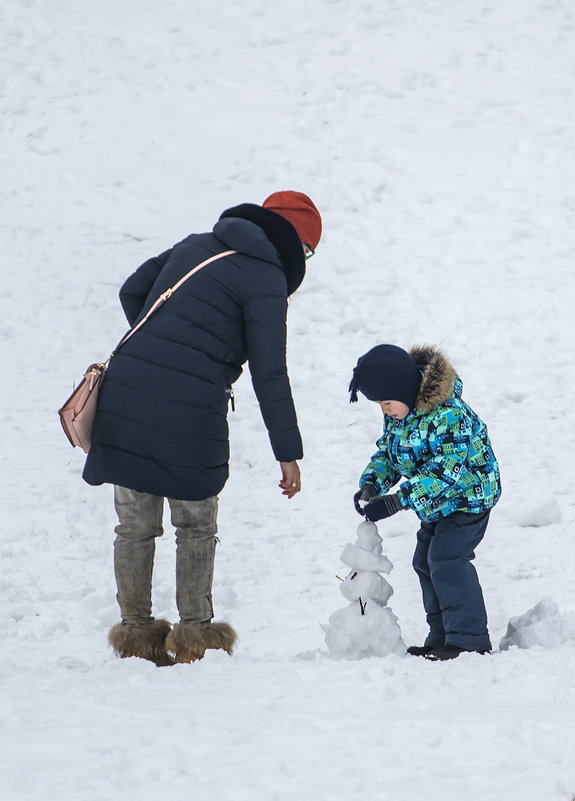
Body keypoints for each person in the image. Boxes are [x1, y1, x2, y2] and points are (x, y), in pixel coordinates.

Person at [82, 190, 322, 666]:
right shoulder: (267, 278)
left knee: (134, 525)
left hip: (126, 394)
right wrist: (287, 451)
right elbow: (269, 371)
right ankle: (194, 637)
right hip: (189, 411)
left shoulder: (197, 242)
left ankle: (136, 637)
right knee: (194, 523)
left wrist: (166, 351)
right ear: (297, 244)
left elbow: (133, 290)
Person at [349, 344, 501, 660]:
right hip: (435, 503)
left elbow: (446, 473)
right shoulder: (399, 416)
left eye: (386, 402)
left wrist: (397, 501)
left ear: (404, 391)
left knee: (446, 559)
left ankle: (469, 639)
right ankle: (442, 636)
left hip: (468, 498)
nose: (384, 410)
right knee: (424, 562)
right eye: (379, 405)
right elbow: (389, 456)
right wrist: (372, 484)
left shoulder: (450, 416)